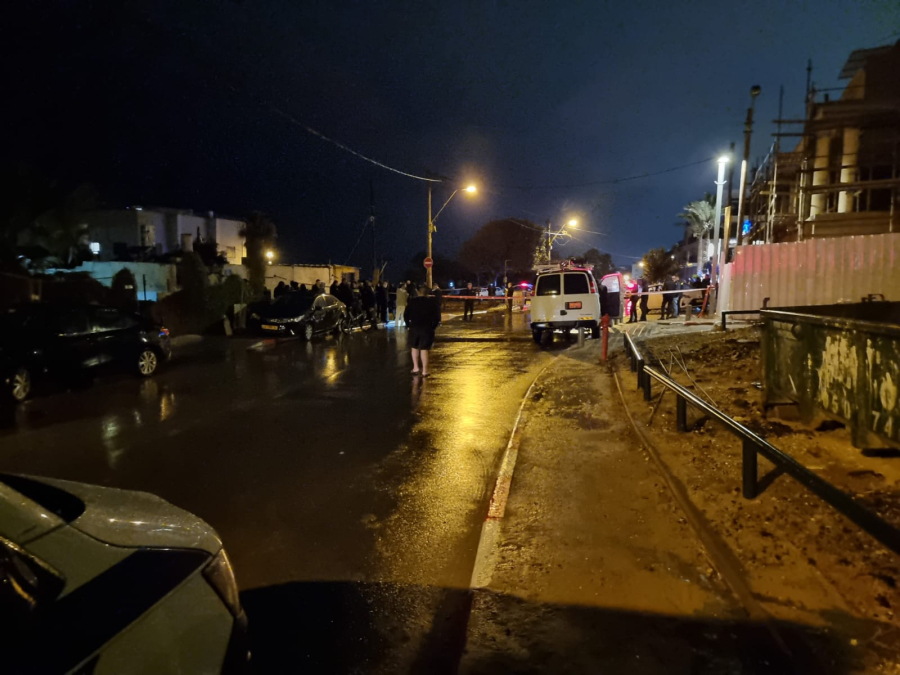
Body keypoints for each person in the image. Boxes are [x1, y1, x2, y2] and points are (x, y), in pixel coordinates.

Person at [406, 285, 441, 377]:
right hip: (427, 328)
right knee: (424, 349)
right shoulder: (432, 303)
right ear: (427, 294)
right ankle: (425, 371)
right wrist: (433, 327)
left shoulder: (412, 302)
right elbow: (437, 317)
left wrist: (408, 325)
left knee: (414, 347)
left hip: (414, 327)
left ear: (418, 292)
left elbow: (406, 314)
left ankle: (415, 368)